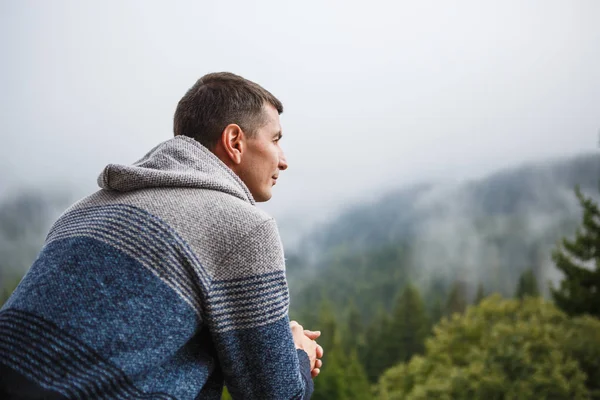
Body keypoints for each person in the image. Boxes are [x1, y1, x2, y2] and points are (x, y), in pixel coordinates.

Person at [0, 72, 323, 399]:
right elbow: (277, 395)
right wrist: (298, 352)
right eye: (276, 139)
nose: (283, 161)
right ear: (235, 141)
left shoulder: (77, 212)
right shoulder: (245, 227)